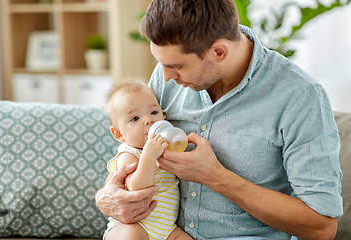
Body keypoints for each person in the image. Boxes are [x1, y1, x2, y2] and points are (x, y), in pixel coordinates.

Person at [95, 0, 343, 239]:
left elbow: (321, 227)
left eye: (176, 66)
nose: (167, 76)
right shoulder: (167, 75)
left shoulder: (299, 97)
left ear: (219, 51)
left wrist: (215, 176)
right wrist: (108, 195)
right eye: (161, 64)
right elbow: (131, 150)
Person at [101, 81, 193, 240]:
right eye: (135, 118)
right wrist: (149, 156)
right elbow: (136, 186)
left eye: (154, 112)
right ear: (118, 134)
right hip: (134, 226)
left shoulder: (165, 147)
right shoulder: (128, 153)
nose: (148, 120)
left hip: (167, 230)